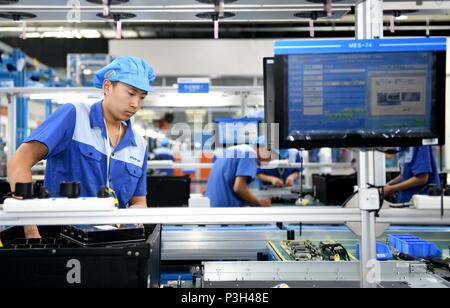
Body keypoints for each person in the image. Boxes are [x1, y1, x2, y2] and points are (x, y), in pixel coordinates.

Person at [7, 56, 156, 239]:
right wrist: (31, 232)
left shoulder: (139, 144)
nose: (136, 104)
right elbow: (19, 162)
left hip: (116, 245)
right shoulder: (74, 116)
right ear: (107, 87)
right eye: (131, 93)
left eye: (142, 97)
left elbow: (139, 201)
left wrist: (135, 216)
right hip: (63, 240)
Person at [205, 137, 273, 208]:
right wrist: (258, 202)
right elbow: (239, 188)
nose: (270, 159)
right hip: (227, 209)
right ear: (261, 148)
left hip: (212, 205)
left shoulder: (233, 150)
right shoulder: (250, 154)